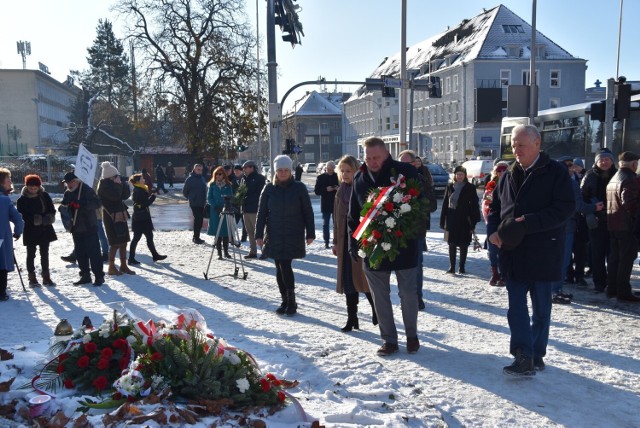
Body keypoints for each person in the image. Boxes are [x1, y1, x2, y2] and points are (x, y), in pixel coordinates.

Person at [488, 124, 574, 376]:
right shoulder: (507, 174)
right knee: (516, 308)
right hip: (512, 252)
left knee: (541, 309)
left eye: (521, 144)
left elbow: (565, 208)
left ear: (537, 144)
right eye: (513, 145)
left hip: (544, 251)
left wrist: (530, 222)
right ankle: (523, 354)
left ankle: (536, 353)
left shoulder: (555, 172)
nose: (516, 149)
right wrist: (493, 231)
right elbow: (495, 208)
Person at [348, 137, 423, 356]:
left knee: (408, 293)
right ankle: (389, 339)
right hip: (373, 247)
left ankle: (412, 335)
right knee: (379, 295)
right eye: (368, 157)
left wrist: (411, 231)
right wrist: (354, 243)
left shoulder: (404, 172)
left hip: (404, 244)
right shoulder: (360, 178)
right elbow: (354, 215)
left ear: (386, 154)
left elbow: (419, 203)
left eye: (376, 157)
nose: (371, 161)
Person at [255, 155, 315, 316]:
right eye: (280, 170)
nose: (282, 173)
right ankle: (284, 300)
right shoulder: (269, 188)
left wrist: (310, 233)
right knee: (278, 266)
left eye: (286, 170)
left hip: (293, 233)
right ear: (275, 171)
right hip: (274, 233)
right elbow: (261, 213)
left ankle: (292, 301)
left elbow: (307, 211)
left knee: (285, 265)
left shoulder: (299, 187)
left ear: (290, 171)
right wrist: (258, 234)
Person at [332, 155, 377, 331]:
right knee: (348, 282)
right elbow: (336, 219)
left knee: (363, 281)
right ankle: (352, 318)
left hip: (360, 241)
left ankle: (376, 311)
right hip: (344, 242)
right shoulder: (340, 190)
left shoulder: (362, 189)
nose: (345, 174)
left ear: (356, 170)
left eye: (348, 171)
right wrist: (335, 241)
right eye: (342, 171)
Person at [399, 149, 437, 310]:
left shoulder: (421, 180)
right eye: (399, 163)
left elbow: (432, 205)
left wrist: (415, 205)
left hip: (416, 230)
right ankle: (404, 297)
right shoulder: (393, 180)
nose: (402, 166)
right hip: (397, 231)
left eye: (405, 163)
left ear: (414, 164)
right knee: (400, 267)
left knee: (416, 265)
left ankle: (417, 297)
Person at [605, 151, 640, 302]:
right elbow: (630, 203)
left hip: (613, 224)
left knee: (615, 258)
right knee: (625, 259)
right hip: (626, 226)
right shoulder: (630, 179)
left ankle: (612, 288)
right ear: (633, 164)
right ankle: (623, 292)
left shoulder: (614, 178)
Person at [60, 171, 105, 286]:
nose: (69, 185)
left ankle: (99, 276)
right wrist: (67, 206)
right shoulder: (68, 193)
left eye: (71, 182)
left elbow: (97, 203)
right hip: (75, 227)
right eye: (67, 183)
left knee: (94, 253)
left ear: (77, 181)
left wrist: (82, 204)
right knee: (80, 254)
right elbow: (64, 206)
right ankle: (85, 275)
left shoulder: (86, 190)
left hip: (89, 226)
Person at [580, 148, 615, 292]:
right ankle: (599, 283)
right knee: (597, 253)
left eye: (607, 159)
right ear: (597, 161)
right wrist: (592, 208)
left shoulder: (617, 175)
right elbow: (581, 197)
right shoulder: (589, 176)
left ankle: (613, 282)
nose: (605, 162)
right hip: (596, 220)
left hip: (614, 220)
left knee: (613, 254)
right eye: (601, 159)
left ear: (612, 161)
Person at [16, 174, 57, 286]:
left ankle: (46, 276)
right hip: (30, 229)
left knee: (45, 253)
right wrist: (34, 219)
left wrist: (47, 218)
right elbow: (22, 215)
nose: (33, 190)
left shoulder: (44, 196)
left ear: (39, 187)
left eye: (35, 188)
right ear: (26, 187)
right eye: (30, 188)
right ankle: (32, 277)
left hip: (45, 228)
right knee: (31, 254)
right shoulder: (22, 200)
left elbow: (52, 210)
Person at [440, 165, 480, 274]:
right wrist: (443, 220)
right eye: (457, 174)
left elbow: (475, 204)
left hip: (464, 218)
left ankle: (461, 267)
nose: (459, 176)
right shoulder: (450, 186)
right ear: (455, 175)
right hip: (451, 217)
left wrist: (474, 219)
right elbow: (445, 204)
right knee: (451, 243)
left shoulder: (470, 187)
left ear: (465, 175)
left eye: (461, 174)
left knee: (463, 244)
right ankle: (452, 266)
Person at [97, 161, 135, 276]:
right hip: (111, 217)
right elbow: (115, 197)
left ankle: (124, 265)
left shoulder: (113, 184)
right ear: (110, 177)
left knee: (124, 241)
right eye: (116, 176)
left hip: (119, 214)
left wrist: (124, 185)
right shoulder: (104, 186)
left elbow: (124, 196)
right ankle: (111, 267)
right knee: (115, 243)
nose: (118, 178)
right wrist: (118, 185)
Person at [127, 174, 167, 265]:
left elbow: (142, 203)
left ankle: (154, 255)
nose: (144, 180)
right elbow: (145, 203)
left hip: (141, 218)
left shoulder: (140, 189)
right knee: (138, 238)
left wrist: (151, 195)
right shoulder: (138, 190)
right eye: (142, 179)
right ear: (137, 181)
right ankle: (131, 258)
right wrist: (153, 196)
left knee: (147, 237)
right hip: (141, 219)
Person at [482, 162, 509, 286]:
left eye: (504, 170)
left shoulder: (511, 183)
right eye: (499, 170)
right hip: (493, 220)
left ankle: (504, 273)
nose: (501, 173)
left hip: (506, 220)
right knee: (493, 249)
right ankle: (495, 272)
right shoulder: (491, 185)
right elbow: (486, 202)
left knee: (505, 249)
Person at [0, 168, 25, 301]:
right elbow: (18, 219)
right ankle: (1, 292)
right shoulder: (4, 200)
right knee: (2, 262)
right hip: (2, 236)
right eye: (8, 180)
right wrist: (18, 232)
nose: (11, 183)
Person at [240, 160, 266, 259]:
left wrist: (246, 198)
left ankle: (264, 251)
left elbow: (259, 194)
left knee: (258, 231)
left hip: (255, 209)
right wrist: (239, 198)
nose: (244, 170)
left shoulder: (260, 178)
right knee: (249, 231)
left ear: (251, 167)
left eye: (245, 168)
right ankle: (253, 251)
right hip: (245, 208)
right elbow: (241, 192)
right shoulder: (244, 179)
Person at [207, 166, 234, 260]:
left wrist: (227, 205)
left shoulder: (228, 185)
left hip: (225, 210)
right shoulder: (212, 185)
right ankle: (219, 253)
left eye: (220, 174)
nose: (218, 176)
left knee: (225, 232)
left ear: (223, 175)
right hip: (215, 211)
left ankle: (226, 252)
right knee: (217, 232)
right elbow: (209, 198)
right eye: (216, 174)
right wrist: (215, 206)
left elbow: (231, 196)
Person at [314, 161, 339, 249]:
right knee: (326, 224)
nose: (331, 171)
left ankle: (336, 241)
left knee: (336, 224)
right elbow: (317, 191)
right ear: (326, 168)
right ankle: (326, 242)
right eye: (329, 169)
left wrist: (338, 189)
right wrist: (325, 189)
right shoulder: (320, 177)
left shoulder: (337, 176)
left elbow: (344, 188)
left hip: (336, 203)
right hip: (325, 204)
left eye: (332, 170)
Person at [183, 164, 208, 244]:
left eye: (201, 169)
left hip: (202, 203)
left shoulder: (202, 178)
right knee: (198, 219)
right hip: (194, 203)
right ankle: (196, 237)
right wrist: (191, 198)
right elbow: (185, 192)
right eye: (198, 169)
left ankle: (197, 236)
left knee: (200, 220)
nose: (200, 171)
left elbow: (205, 190)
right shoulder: (190, 179)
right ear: (194, 170)